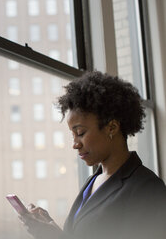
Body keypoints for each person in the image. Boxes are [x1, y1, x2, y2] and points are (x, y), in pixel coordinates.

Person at [19, 71, 166, 239]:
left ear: (112, 127)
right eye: (72, 135)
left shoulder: (147, 189)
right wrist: (51, 228)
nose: (75, 144)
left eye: (80, 133)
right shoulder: (93, 181)